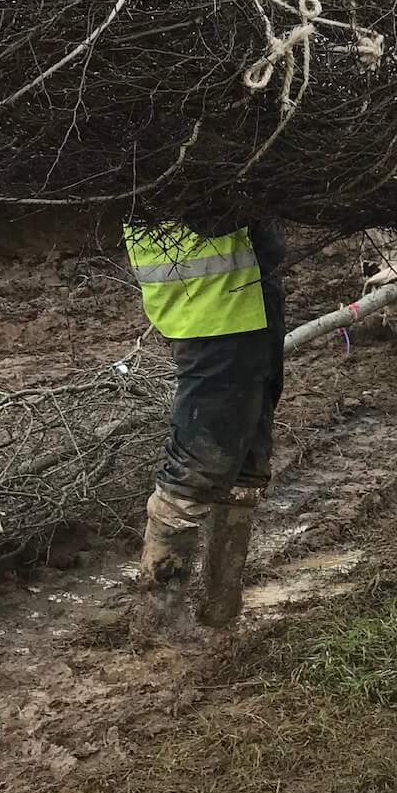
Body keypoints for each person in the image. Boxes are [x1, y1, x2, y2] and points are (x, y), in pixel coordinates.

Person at [123, 214, 288, 636]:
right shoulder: (171, 155)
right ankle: (157, 633)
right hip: (213, 304)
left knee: (246, 464)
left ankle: (220, 612)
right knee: (197, 469)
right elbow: (214, 211)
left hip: (245, 294)